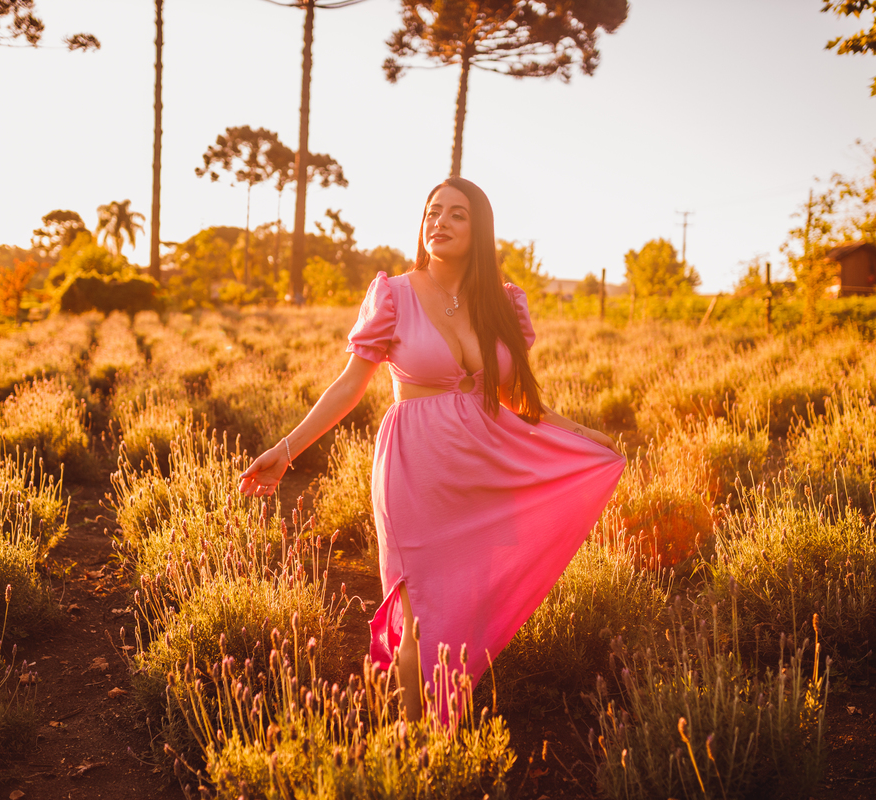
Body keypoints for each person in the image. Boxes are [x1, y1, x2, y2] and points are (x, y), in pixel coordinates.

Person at [239, 177, 626, 720]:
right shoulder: (393, 294)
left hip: (490, 468)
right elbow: (351, 385)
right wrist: (287, 447)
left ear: (479, 230)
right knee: (417, 603)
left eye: (456, 215)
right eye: (432, 212)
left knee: (469, 601)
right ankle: (413, 736)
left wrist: (581, 435)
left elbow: (517, 398)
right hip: (415, 468)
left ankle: (445, 726)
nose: (439, 222)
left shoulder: (505, 302)